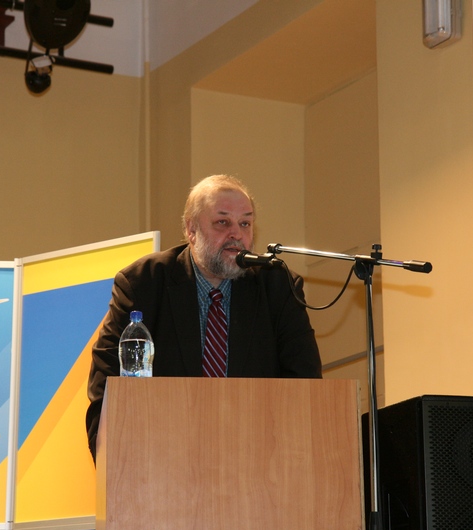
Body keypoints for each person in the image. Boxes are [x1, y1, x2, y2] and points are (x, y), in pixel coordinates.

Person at [85, 174, 322, 461]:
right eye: (222, 222)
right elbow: (107, 382)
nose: (237, 234)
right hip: (163, 457)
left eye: (245, 223)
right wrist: (112, 463)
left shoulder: (277, 286)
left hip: (258, 456)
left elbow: (305, 385)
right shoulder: (143, 283)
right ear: (191, 229)